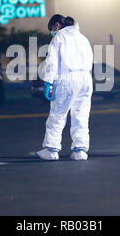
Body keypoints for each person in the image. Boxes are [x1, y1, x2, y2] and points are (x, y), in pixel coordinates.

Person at [37, 14, 94, 161]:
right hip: (86, 79)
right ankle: (80, 151)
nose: (52, 32)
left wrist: (48, 82)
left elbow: (52, 63)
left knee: (57, 114)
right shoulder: (83, 38)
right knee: (81, 116)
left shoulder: (59, 38)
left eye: (51, 29)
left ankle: (51, 149)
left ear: (56, 25)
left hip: (67, 79)